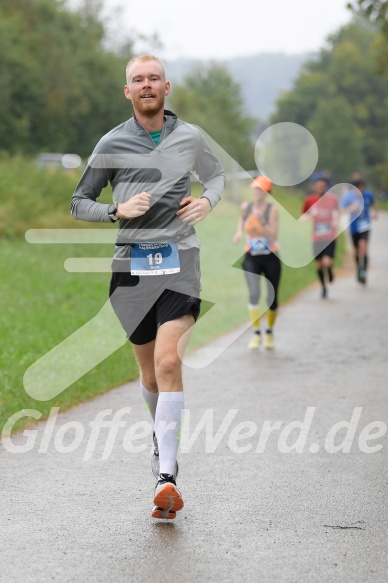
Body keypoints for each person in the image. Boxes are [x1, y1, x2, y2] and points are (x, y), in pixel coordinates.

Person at [70, 55, 225, 519]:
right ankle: (162, 447)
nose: (146, 85)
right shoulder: (112, 141)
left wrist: (206, 202)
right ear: (128, 91)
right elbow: (79, 202)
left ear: (167, 87)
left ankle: (168, 478)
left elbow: (215, 175)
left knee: (169, 359)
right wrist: (117, 212)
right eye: (137, 80)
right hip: (131, 268)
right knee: (151, 375)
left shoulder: (190, 136)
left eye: (153, 78)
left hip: (180, 261)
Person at [233, 176, 281, 350]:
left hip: (271, 257)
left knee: (272, 298)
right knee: (254, 293)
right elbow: (241, 220)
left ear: (267, 192)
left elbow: (274, 236)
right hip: (251, 256)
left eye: (260, 189)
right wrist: (239, 232)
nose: (257, 192)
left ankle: (269, 332)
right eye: (255, 188)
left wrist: (261, 221)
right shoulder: (246, 207)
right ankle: (256, 333)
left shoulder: (272, 210)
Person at [301, 175, 338, 299]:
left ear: (326, 187)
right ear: (314, 187)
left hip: (329, 236)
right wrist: (306, 218)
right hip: (317, 238)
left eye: (323, 186)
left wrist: (336, 220)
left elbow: (337, 213)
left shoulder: (332, 199)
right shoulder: (309, 200)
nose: (321, 188)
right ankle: (323, 287)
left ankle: (330, 270)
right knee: (319, 265)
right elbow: (303, 215)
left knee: (327, 262)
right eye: (318, 186)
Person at [340, 179, 378, 285]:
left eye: (362, 187)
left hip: (365, 226)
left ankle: (364, 272)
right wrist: (351, 208)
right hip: (353, 227)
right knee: (356, 251)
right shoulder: (349, 197)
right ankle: (359, 269)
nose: (361, 190)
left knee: (363, 248)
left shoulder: (368, 194)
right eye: (358, 188)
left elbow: (373, 203)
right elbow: (341, 210)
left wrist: (375, 212)